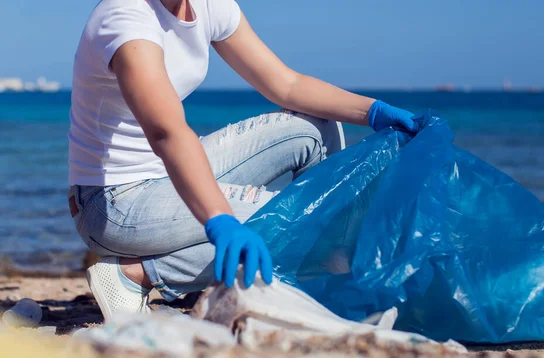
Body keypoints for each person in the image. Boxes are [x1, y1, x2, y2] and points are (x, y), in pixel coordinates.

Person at [67, 0, 417, 320]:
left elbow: (287, 85)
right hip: (114, 202)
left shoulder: (207, 5)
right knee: (297, 220)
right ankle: (138, 273)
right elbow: (167, 133)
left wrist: (374, 111)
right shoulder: (126, 19)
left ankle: (322, 270)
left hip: (164, 173)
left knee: (312, 126)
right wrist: (221, 220)